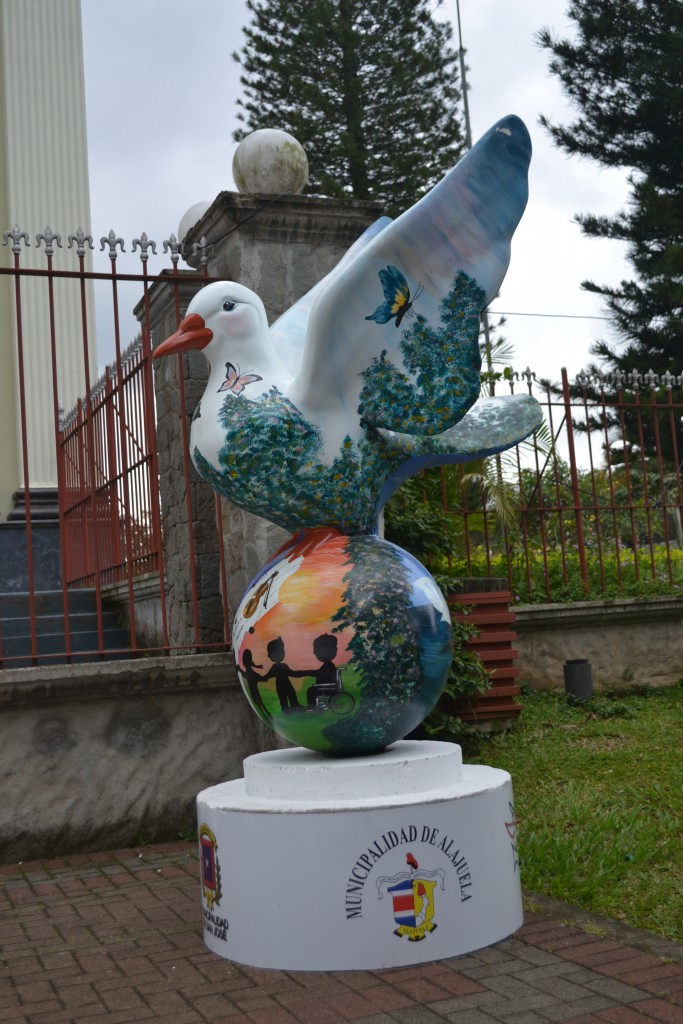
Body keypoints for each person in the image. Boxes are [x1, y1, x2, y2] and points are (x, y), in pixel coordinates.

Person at [262, 636, 305, 713]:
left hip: (285, 683)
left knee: (291, 693)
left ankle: (294, 705)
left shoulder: (282, 666)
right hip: (281, 685)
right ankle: (287, 708)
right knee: (283, 696)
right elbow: (268, 676)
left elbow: (268, 676)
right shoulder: (276, 667)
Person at [306, 633, 340, 709]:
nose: (315, 653)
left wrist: (305, 673)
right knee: (312, 689)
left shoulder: (328, 666)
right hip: (326, 688)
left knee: (311, 691)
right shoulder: (328, 665)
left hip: (327, 689)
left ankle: (312, 707)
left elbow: (319, 673)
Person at [238, 648, 270, 717]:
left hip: (253, 692)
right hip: (254, 692)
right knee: (260, 704)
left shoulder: (249, 673)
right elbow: (264, 679)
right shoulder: (252, 674)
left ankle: (267, 714)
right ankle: (267, 714)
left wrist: (240, 669)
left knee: (259, 704)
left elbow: (244, 673)